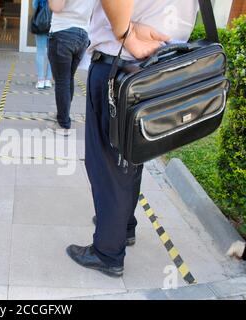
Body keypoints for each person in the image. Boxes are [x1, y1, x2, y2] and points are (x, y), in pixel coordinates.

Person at [66, 0, 199, 277]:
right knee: (131, 153)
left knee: (106, 161)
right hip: (162, 65)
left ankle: (107, 252)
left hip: (123, 62)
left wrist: (123, 31)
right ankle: (122, 226)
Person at [47, 0, 94, 135]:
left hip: (63, 31)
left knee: (62, 80)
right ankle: (63, 115)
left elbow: (56, 6)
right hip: (83, 35)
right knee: (68, 79)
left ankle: (63, 124)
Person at [33, 0, 53, 90]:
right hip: (55, 22)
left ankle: (41, 80)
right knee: (52, 52)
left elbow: (34, 5)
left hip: (42, 21)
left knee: (40, 51)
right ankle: (48, 80)